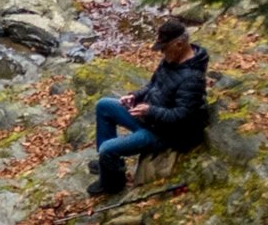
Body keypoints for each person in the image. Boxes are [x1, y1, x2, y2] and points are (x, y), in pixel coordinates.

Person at [88, 17, 214, 198]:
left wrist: (150, 110)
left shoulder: (193, 78)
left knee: (108, 148)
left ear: (179, 44)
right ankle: (107, 165)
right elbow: (152, 85)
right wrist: (135, 96)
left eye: (164, 48)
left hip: (165, 134)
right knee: (104, 106)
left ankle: (113, 184)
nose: (161, 52)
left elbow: (182, 115)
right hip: (149, 118)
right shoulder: (171, 59)